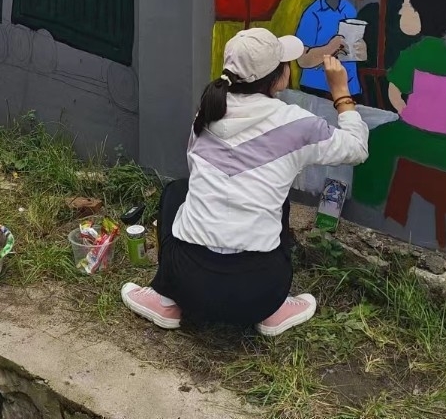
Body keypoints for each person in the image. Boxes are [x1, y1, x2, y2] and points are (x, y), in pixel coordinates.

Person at [121, 29, 368, 335]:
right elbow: (357, 148)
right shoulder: (297, 124)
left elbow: (200, 179)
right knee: (278, 202)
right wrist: (341, 92)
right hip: (260, 293)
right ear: (277, 77)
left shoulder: (208, 111)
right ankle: (274, 311)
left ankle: (165, 298)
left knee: (177, 192)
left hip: (187, 283)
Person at [352, 0, 446, 207]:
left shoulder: (412, 55)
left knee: (376, 140)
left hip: (411, 138)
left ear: (422, 13)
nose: (401, 11)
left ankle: (367, 203)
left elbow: (394, 88)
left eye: (406, 5)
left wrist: (405, 110)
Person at [295, 0, 366, 99]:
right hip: (317, 88)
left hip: (349, 87)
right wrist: (330, 47)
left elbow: (355, 51)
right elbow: (303, 59)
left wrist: (361, 51)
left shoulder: (350, 10)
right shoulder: (312, 13)